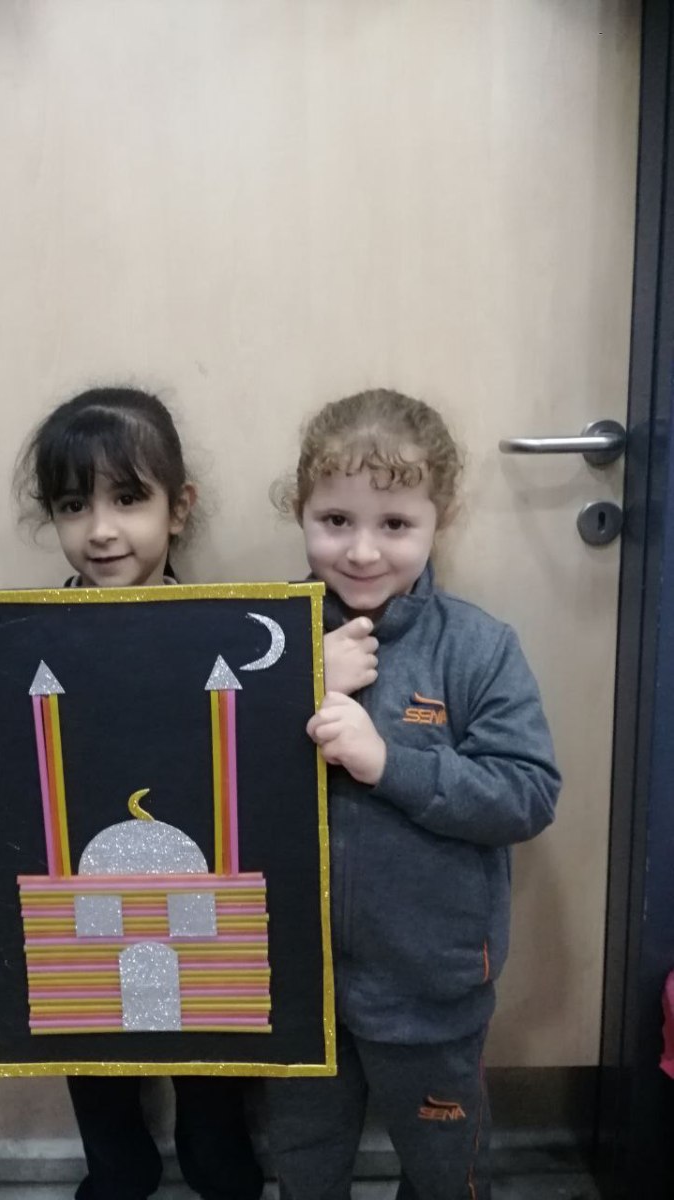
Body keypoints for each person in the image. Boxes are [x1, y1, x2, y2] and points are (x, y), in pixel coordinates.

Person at [0, 387, 264, 1200]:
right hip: (84, 900)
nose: (101, 530)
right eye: (74, 505)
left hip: (194, 893)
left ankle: (217, 1161)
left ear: (179, 509)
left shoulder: (229, 638)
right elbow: (13, 798)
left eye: (129, 498)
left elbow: (263, 779)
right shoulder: (23, 647)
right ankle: (117, 1168)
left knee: (212, 1036)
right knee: (86, 1030)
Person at [267, 388, 561, 1200]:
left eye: (395, 524)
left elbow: (527, 794)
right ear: (300, 513)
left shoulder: (478, 648)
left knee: (444, 1167)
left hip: (431, 991)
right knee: (302, 1162)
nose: (363, 551)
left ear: (441, 519)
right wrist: (293, 682)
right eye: (335, 520)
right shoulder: (263, 638)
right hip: (292, 988)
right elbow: (196, 771)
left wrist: (386, 762)